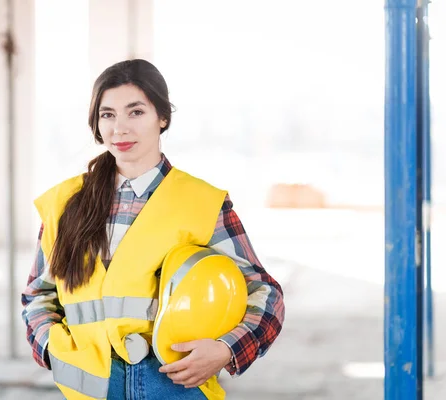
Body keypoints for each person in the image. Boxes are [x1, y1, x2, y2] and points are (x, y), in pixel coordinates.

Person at [21, 59, 285, 400]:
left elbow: (266, 294)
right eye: (108, 114)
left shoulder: (201, 202)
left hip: (174, 381)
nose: (120, 129)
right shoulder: (65, 202)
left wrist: (225, 350)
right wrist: (52, 349)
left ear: (162, 117)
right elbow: (37, 296)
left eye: (135, 112)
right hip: (90, 384)